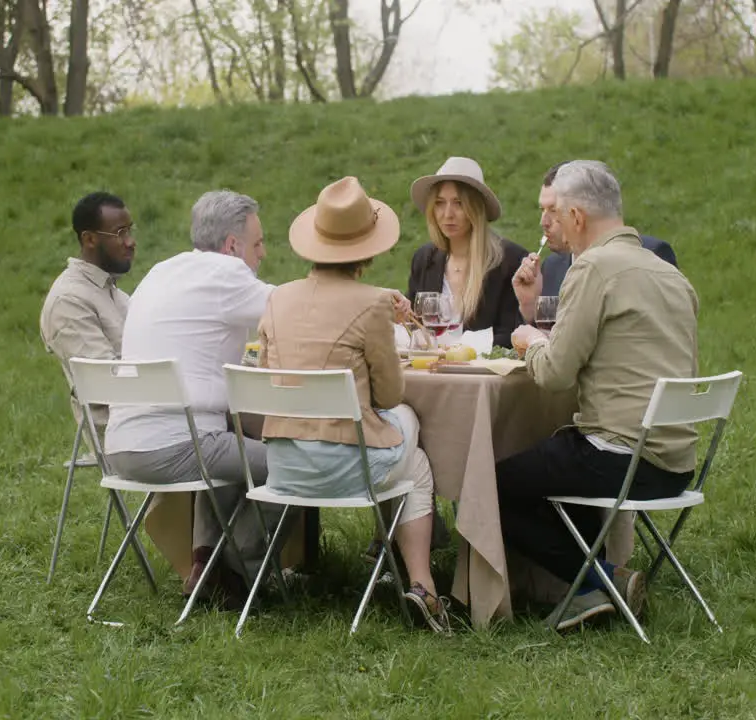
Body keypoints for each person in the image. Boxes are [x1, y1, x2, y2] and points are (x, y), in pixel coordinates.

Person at [500, 161, 700, 633]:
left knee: (490, 487)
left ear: (576, 217)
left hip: (622, 459)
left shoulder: (593, 267)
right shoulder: (670, 273)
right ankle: (588, 590)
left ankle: (604, 580)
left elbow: (552, 374)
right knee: (553, 459)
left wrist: (529, 340)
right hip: (676, 464)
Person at [259, 177, 450, 633]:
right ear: (367, 248)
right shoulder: (373, 305)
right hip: (346, 470)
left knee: (400, 445)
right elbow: (388, 396)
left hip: (280, 466)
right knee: (415, 454)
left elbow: (268, 378)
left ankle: (387, 556)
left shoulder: (277, 297)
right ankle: (422, 585)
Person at [102, 190, 282, 605]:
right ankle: (236, 575)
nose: (263, 254)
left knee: (224, 434)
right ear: (232, 246)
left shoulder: (162, 271)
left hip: (122, 446)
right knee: (297, 465)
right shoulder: (226, 274)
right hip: (175, 448)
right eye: (257, 244)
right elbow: (297, 310)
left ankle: (205, 564)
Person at [519, 162, 679, 321]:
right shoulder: (552, 267)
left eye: (554, 210)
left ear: (577, 214)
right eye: (542, 210)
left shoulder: (649, 253)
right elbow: (551, 338)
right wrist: (531, 309)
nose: (544, 222)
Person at [407, 157, 529, 349]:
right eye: (439, 203)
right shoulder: (424, 259)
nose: (448, 214)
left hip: (485, 376)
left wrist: (460, 349)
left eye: (459, 203)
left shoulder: (510, 261)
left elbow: (512, 336)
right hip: (431, 373)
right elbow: (414, 327)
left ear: (476, 208)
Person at [39, 191, 135, 433]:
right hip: (122, 436)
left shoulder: (113, 292)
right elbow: (106, 383)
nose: (130, 242)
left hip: (158, 421)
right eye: (120, 233)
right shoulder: (69, 301)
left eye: (130, 231)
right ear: (90, 239)